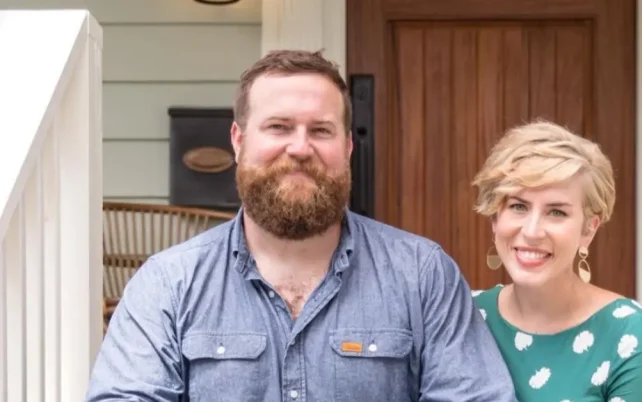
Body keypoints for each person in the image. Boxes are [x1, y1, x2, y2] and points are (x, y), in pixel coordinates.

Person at [85, 49, 517, 402]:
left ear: (347, 146)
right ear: (238, 140)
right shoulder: (167, 284)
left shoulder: (422, 275)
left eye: (321, 130)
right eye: (279, 127)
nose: (299, 148)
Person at [471, 121, 642, 401]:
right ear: (495, 219)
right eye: (518, 206)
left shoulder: (631, 334)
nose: (532, 231)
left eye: (556, 212)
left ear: (588, 229)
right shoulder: (465, 317)